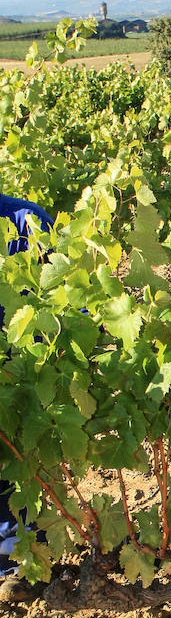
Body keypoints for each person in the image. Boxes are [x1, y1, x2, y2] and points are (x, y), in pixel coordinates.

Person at [0, 193, 54, 586]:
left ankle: (16, 557)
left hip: (17, 378)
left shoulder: (25, 220)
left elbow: (60, 301)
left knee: (16, 471)